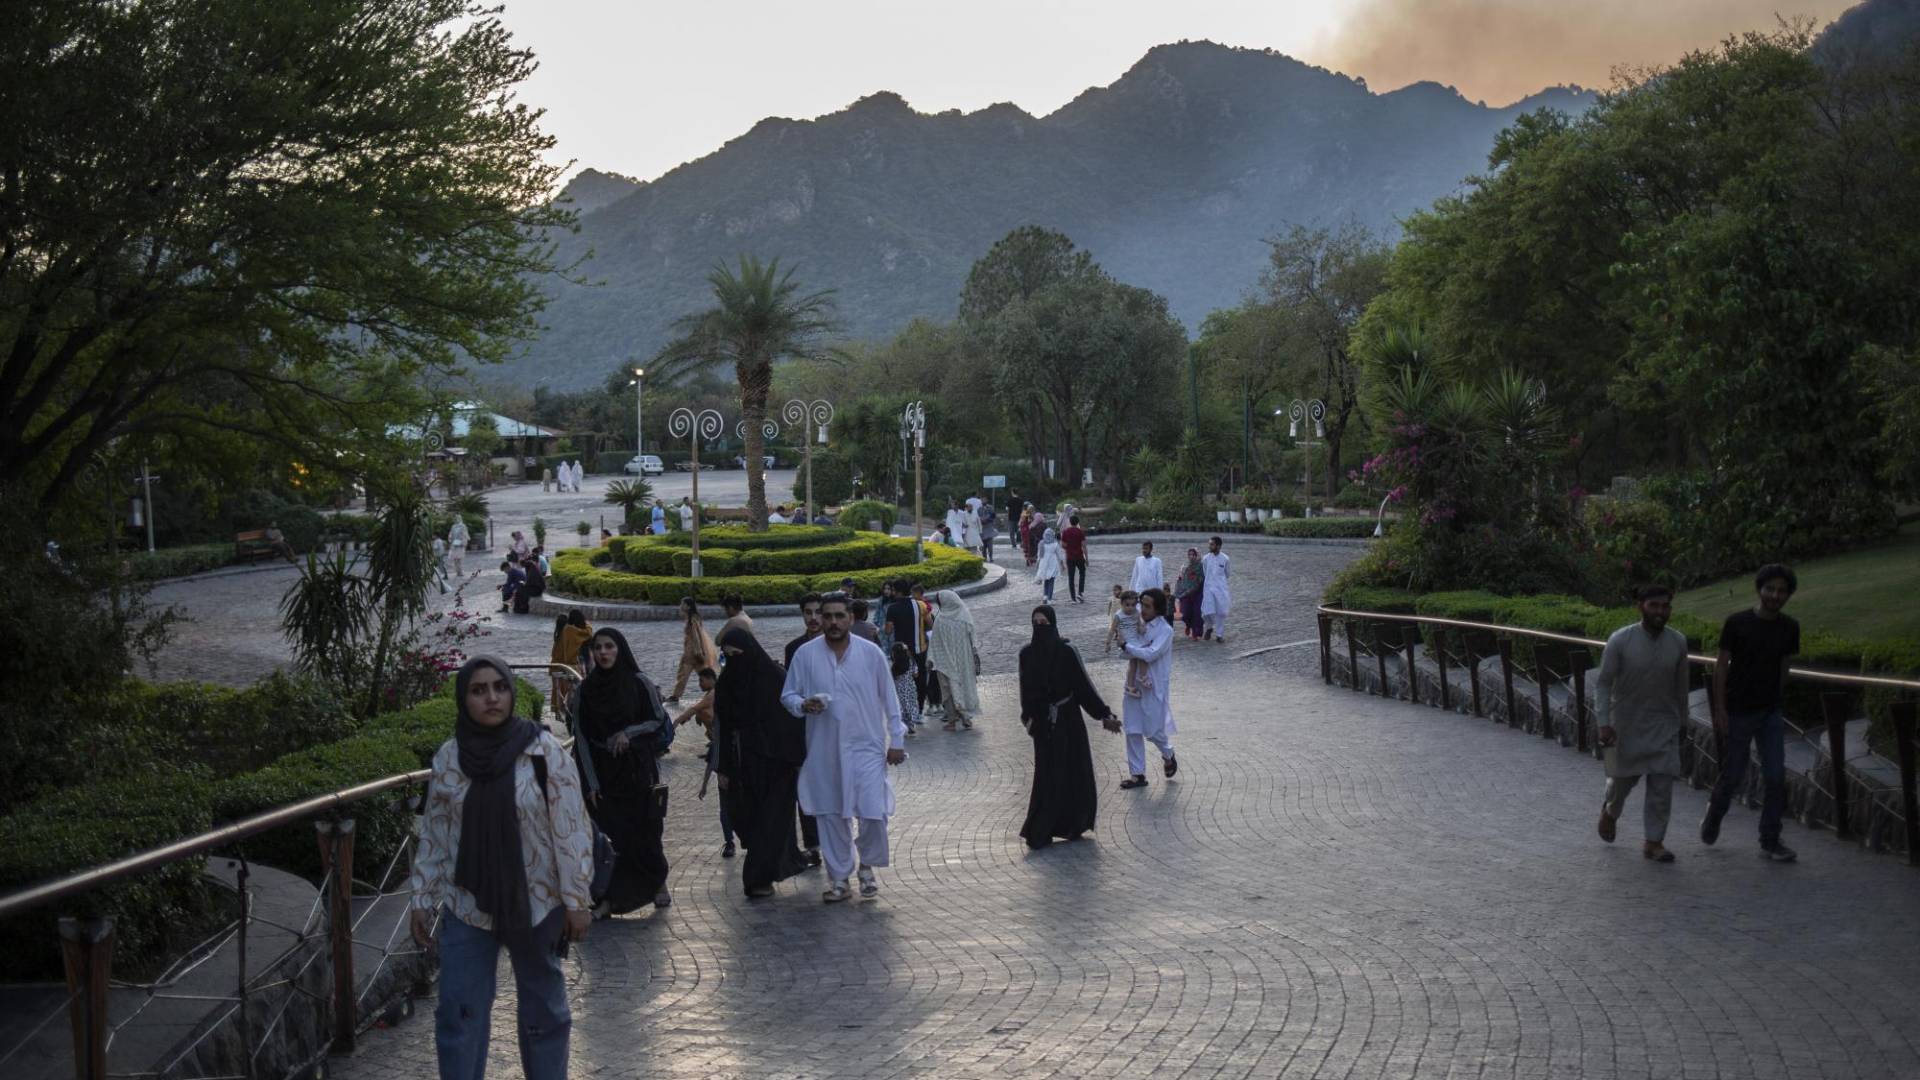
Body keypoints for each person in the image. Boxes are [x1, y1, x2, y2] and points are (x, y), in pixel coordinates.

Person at [407, 656, 592, 1080]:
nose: (491, 697)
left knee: (544, 1012)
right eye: (478, 690)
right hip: (468, 905)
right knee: (458, 1012)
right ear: (463, 699)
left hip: (538, 903)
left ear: (511, 691)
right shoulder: (450, 757)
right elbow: (435, 833)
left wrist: (577, 900)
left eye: (499, 687)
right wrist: (422, 897)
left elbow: (570, 828)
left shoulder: (541, 751)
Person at [782, 594, 907, 902]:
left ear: (851, 618)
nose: (833, 622)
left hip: (867, 746)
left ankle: (866, 867)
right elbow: (788, 694)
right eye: (828, 616)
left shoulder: (871, 654)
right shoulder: (805, 655)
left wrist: (897, 740)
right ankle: (839, 878)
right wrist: (802, 704)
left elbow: (889, 698)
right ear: (820, 620)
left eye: (839, 616)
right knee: (830, 814)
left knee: (873, 812)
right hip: (824, 749)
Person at [1702, 564, 1802, 862]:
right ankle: (1715, 812)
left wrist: (1777, 699)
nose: (1775, 595)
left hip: (1769, 711)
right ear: (1759, 590)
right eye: (1770, 589)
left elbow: (1785, 666)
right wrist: (1720, 708)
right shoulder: (1737, 623)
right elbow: (1721, 665)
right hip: (1738, 711)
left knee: (1775, 775)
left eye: (1781, 591)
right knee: (1733, 773)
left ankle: (1770, 839)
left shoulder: (1789, 627)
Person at [569, 628, 672, 914]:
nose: (603, 653)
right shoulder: (585, 691)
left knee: (646, 830)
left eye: (609, 646)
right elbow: (581, 739)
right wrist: (590, 783)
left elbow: (658, 719)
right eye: (598, 647)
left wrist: (629, 733)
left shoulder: (639, 683)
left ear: (620, 649)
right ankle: (609, 899)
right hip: (605, 773)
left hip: (637, 769)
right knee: (612, 835)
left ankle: (657, 881)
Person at [1595, 584, 1693, 863]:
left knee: (1662, 786)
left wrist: (1683, 721)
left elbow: (1681, 686)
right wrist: (1604, 723)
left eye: (1665, 606)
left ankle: (1654, 842)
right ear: (1641, 607)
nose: (1660, 612)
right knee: (1621, 784)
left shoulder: (1678, 642)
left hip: (1665, 723)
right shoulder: (1620, 640)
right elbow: (1602, 684)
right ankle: (1611, 811)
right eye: (1654, 606)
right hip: (1625, 724)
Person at [714, 627, 810, 898]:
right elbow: (722, 727)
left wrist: (796, 759)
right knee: (748, 821)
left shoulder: (775, 679)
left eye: (737, 654)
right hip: (742, 765)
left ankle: (758, 878)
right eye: (727, 656)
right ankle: (774, 867)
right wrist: (721, 767)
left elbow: (792, 722)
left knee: (772, 822)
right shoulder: (727, 684)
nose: (734, 661)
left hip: (778, 764)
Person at [1019, 605, 1116, 848]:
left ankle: (1074, 823)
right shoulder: (1026, 655)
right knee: (1047, 775)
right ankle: (1040, 829)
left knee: (1074, 770)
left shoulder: (1067, 651)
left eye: (1044, 623)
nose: (1040, 628)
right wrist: (1030, 720)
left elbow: (1083, 687)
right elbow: (1025, 691)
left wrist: (1103, 714)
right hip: (1043, 725)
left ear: (1052, 624)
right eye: (1036, 623)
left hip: (1069, 720)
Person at [1117, 589, 1178, 789]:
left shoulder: (1165, 630)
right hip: (1134, 683)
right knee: (1132, 728)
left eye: (1147, 606)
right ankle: (1137, 775)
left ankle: (1168, 754)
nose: (1141, 609)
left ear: (1158, 608)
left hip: (1153, 686)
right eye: (1140, 604)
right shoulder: (1134, 624)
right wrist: (1125, 646)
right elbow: (1126, 654)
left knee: (1152, 730)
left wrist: (1127, 646)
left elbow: (1151, 654)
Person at [783, 592, 828, 860]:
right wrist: (801, 704)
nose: (813, 618)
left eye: (817, 612)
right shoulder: (795, 649)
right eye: (807, 613)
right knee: (807, 785)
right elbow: (790, 690)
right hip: (804, 727)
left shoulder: (839, 646)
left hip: (833, 728)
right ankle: (813, 844)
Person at [686, 668, 736, 858]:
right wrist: (707, 783)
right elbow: (714, 753)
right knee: (726, 809)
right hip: (727, 770)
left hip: (740, 769)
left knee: (734, 807)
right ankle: (729, 842)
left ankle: (737, 840)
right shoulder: (721, 721)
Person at [928, 590, 981, 731]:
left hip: (945, 661)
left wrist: (931, 659)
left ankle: (952, 721)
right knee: (964, 686)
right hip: (964, 660)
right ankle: (966, 718)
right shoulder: (965, 616)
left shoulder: (940, 619)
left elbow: (935, 642)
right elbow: (973, 639)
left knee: (948, 690)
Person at [668, 597, 719, 703]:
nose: (681, 606)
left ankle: (675, 696)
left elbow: (696, 636)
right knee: (704, 673)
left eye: (683, 604)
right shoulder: (694, 618)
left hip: (692, 652)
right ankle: (718, 690)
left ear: (688, 606)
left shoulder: (692, 620)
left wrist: (698, 651)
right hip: (695, 652)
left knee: (683, 674)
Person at [549, 609, 594, 712]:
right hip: (577, 665)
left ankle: (559, 709)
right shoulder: (577, 631)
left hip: (565, 664)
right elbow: (588, 631)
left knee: (560, 689)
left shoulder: (567, 630)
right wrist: (587, 624)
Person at [1200, 535, 1231, 644]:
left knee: (1220, 612)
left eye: (1212, 544)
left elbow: (1227, 574)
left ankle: (1219, 635)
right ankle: (1208, 627)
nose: (1210, 546)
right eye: (1209, 544)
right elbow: (1205, 572)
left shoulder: (1225, 559)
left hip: (1220, 590)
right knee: (1206, 612)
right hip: (1208, 588)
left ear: (1218, 546)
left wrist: (1218, 583)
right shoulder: (1206, 558)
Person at [891, 642, 923, 736]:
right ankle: (911, 725)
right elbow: (916, 674)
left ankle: (903, 725)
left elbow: (892, 678)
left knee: (901, 707)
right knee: (911, 705)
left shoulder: (895, 666)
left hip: (899, 690)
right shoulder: (911, 661)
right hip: (910, 688)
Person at [1173, 548, 1205, 640]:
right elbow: (1181, 579)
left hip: (1197, 594)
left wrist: (1194, 588)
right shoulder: (1185, 566)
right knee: (1185, 613)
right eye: (1189, 554)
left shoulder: (1201, 566)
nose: (1191, 556)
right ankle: (1188, 625)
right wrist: (1179, 591)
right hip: (1186, 594)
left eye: (1193, 554)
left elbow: (1200, 580)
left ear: (1197, 555)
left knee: (1197, 613)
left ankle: (1195, 633)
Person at [1060, 514, 1088, 603]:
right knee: (1082, 574)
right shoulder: (1080, 532)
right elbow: (1084, 546)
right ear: (1077, 522)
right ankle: (1080, 593)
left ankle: (1073, 598)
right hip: (1079, 556)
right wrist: (1087, 558)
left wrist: (1069, 548)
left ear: (1070, 522)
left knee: (1071, 577)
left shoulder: (1065, 531)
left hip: (1070, 557)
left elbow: (1063, 545)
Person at [1035, 527, 1064, 602]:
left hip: (1044, 563)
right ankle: (1049, 598)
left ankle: (1045, 596)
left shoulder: (1041, 543)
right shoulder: (1055, 544)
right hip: (1053, 563)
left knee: (1046, 580)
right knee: (1051, 581)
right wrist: (1062, 564)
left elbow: (1039, 555)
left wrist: (1037, 564)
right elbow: (1059, 555)